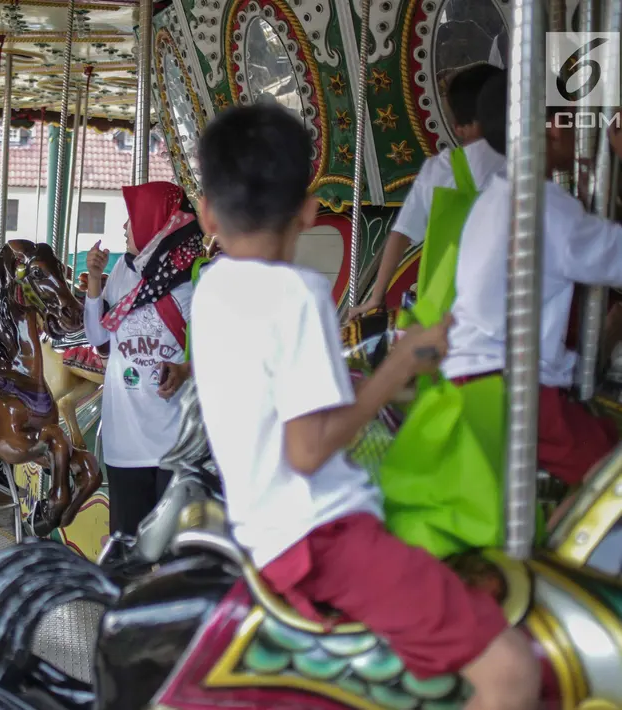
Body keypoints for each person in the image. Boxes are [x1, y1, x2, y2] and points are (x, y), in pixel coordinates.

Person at [190, 103, 539, 708]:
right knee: (511, 669)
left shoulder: (214, 286)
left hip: (262, 523)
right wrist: (401, 367)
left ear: (206, 212)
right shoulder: (297, 294)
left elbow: (281, 408)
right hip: (321, 535)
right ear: (309, 209)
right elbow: (308, 449)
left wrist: (383, 379)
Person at [444, 73, 622, 489]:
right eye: (570, 117)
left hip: (482, 375)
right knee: (608, 477)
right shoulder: (545, 208)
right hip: (510, 384)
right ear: (553, 128)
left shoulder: (500, 195)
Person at [83, 181, 202, 540]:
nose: (123, 228)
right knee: (126, 548)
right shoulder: (122, 271)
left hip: (174, 439)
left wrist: (185, 369)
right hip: (125, 438)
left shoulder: (194, 278)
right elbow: (97, 337)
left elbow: (216, 351)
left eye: (131, 219)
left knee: (172, 551)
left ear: (156, 222)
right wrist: (93, 281)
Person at [347, 63, 504, 320]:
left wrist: (376, 297)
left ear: (458, 126)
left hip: (447, 315)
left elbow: (402, 232)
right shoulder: (522, 163)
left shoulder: (439, 170)